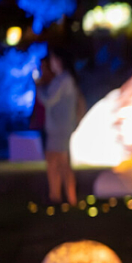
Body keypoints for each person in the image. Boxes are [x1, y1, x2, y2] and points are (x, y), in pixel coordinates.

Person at [35, 47, 83, 205]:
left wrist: (38, 87)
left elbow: (48, 99)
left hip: (59, 128)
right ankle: (61, 197)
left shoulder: (62, 80)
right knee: (59, 162)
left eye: (54, 60)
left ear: (60, 61)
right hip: (61, 127)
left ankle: (61, 197)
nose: (51, 63)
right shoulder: (65, 79)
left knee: (58, 162)